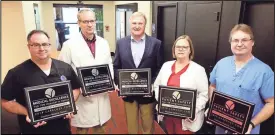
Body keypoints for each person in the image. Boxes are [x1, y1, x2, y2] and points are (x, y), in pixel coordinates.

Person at [1, 30, 81, 134]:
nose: (41, 48)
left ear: (50, 46)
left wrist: (69, 104)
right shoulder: (16, 73)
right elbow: (5, 101)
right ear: (29, 47)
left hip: (62, 128)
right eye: (36, 45)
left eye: (45, 44)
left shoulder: (65, 68)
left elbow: (75, 88)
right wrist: (28, 113)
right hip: (33, 129)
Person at [209, 24, 274, 134]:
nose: (239, 44)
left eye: (244, 40)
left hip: (246, 130)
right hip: (220, 126)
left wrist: (251, 124)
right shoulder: (221, 64)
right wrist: (212, 108)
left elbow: (271, 103)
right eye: (235, 40)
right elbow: (212, 86)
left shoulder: (264, 71)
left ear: (252, 42)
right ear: (230, 42)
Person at [58, 9, 113, 134]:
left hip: (102, 95)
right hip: (83, 98)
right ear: (79, 23)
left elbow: (109, 63)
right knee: (82, 130)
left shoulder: (103, 43)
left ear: (95, 22)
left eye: (92, 21)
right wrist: (77, 87)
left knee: (101, 128)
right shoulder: (69, 45)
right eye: (85, 21)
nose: (89, 24)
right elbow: (62, 71)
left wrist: (109, 82)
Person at [113, 11, 164, 134]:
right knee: (131, 127)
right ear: (130, 24)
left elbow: (159, 68)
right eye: (134, 23)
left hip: (147, 94)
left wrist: (152, 85)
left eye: (140, 23)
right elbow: (116, 66)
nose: (137, 26)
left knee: (148, 126)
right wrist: (120, 85)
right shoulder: (121, 43)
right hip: (128, 94)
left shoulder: (156, 44)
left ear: (145, 24)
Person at [154, 35, 209, 134]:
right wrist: (162, 101)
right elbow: (157, 86)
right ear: (174, 49)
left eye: (185, 47)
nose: (181, 49)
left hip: (186, 120)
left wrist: (192, 111)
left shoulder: (198, 70)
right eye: (178, 47)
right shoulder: (166, 66)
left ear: (190, 50)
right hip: (168, 116)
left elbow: (204, 95)